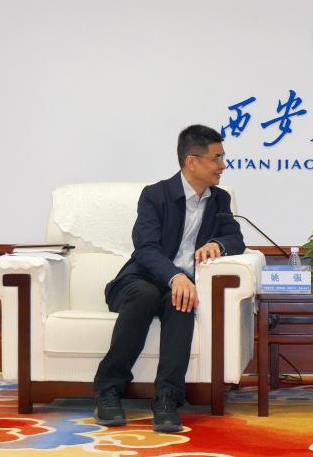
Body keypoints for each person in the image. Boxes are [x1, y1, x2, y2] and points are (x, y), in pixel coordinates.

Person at [93, 124, 245, 433]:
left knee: (182, 302)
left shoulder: (219, 199)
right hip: (141, 279)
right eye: (217, 158)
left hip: (181, 286)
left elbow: (236, 238)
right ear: (192, 162)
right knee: (147, 295)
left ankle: (166, 399)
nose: (223, 165)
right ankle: (109, 390)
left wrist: (219, 245)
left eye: (223, 157)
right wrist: (175, 276)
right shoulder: (155, 195)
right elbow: (145, 248)